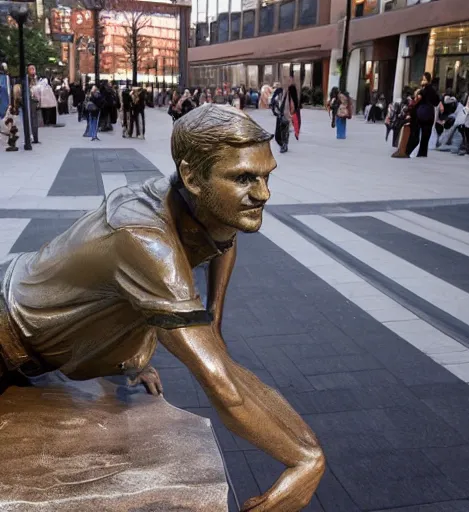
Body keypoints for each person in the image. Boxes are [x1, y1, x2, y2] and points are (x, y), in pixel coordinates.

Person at [0, 104, 325, 511]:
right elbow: (220, 382)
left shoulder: (200, 202)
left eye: (266, 175)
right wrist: (305, 456)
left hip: (33, 331)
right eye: (244, 178)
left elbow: (224, 235)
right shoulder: (142, 236)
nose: (263, 193)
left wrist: (212, 325)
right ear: (191, 176)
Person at [406, 72, 440, 157]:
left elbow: (416, 100)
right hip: (430, 115)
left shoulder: (423, 90)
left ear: (426, 80)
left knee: (416, 134)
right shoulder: (433, 90)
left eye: (423, 79)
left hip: (421, 114)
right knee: (426, 135)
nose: (422, 81)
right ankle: (422, 153)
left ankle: (408, 150)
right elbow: (436, 102)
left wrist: (415, 95)